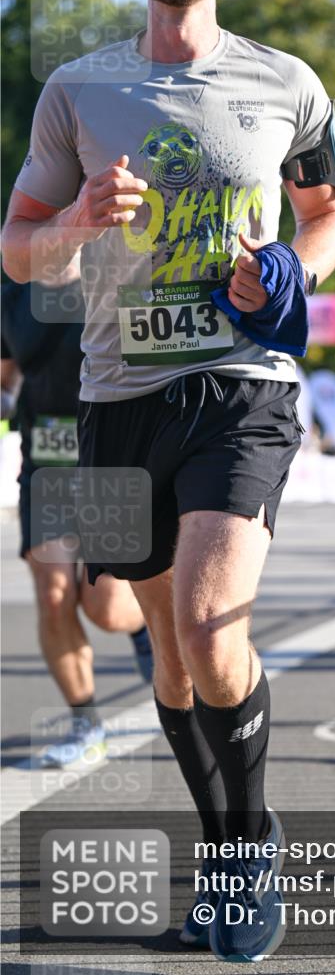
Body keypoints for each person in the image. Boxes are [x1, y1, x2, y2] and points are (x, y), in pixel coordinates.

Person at [2, 0, 335, 961]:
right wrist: (73, 223)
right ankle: (224, 850)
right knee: (165, 654)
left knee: (206, 627)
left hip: (243, 387)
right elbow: (19, 248)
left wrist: (295, 268)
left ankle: (247, 851)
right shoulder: (76, 86)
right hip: (116, 400)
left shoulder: (287, 80)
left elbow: (325, 213)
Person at [1, 266, 153, 768]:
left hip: (111, 453)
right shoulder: (12, 293)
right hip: (46, 462)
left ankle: (144, 626)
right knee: (52, 595)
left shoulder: (113, 272)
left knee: (106, 607)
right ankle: (85, 724)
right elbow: (7, 380)